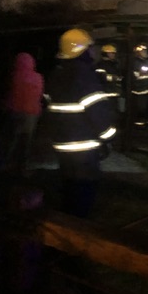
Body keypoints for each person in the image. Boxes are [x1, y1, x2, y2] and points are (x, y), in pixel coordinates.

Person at [44, 28, 116, 217]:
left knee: (69, 188)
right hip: (84, 149)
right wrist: (109, 137)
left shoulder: (56, 74)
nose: (92, 51)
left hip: (61, 145)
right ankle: (79, 228)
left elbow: (50, 109)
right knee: (84, 191)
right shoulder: (85, 76)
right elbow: (98, 112)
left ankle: (67, 224)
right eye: (89, 48)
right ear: (82, 50)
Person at [3, 52, 44, 176]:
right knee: (27, 142)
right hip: (31, 113)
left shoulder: (13, 76)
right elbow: (39, 94)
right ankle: (23, 167)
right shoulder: (37, 77)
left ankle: (6, 165)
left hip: (15, 111)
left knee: (12, 140)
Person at [130, 43, 148, 129]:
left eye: (145, 51)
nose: (145, 52)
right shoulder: (136, 63)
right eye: (143, 51)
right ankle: (139, 126)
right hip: (140, 90)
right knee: (141, 108)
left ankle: (147, 123)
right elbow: (136, 76)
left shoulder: (147, 62)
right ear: (138, 53)